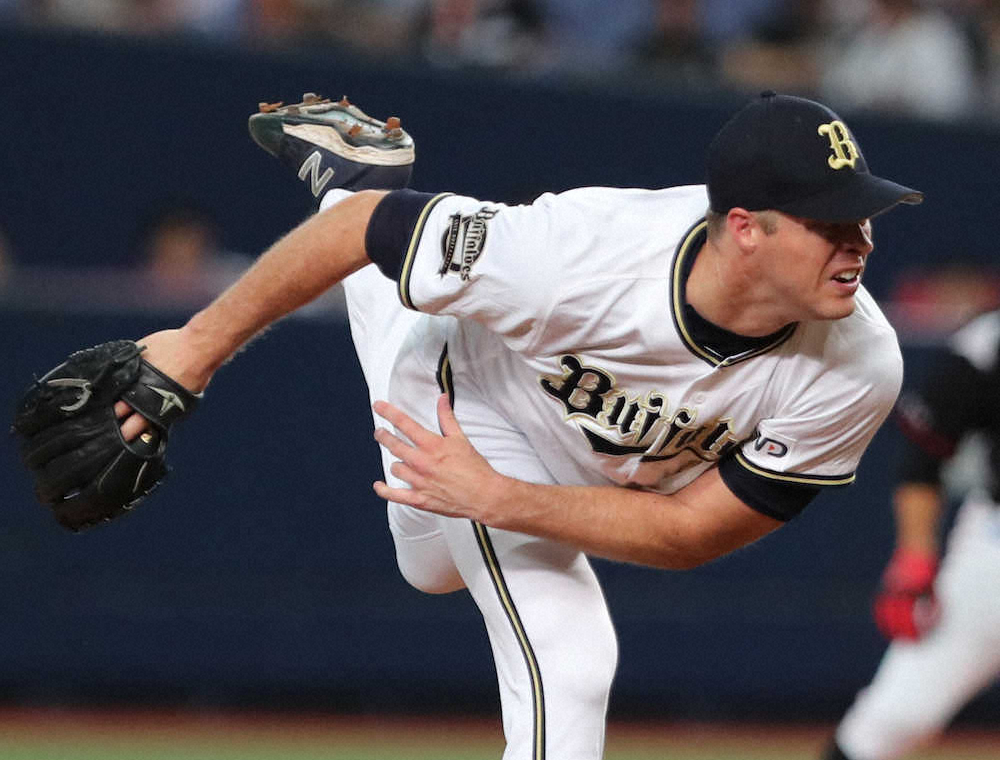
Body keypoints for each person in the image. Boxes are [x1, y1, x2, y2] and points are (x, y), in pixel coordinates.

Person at [117, 90, 922, 760]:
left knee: (427, 565)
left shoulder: (858, 364)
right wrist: (195, 349)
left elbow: (689, 532)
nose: (860, 241)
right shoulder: (576, 258)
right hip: (472, 398)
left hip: (572, 466)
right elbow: (363, 230)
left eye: (864, 217)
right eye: (831, 223)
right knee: (569, 655)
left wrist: (501, 500)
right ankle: (355, 181)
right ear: (746, 226)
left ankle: (355, 168)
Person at [821, 305, 1000, 760]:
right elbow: (925, 456)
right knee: (896, 716)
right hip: (993, 553)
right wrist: (915, 557)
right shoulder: (988, 342)